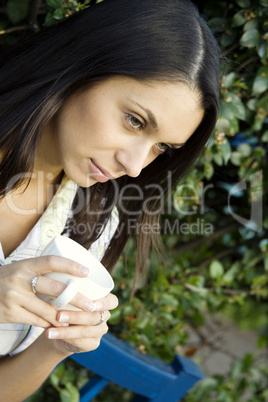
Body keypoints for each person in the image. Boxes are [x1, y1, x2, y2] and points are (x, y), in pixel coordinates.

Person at [0, 0, 220, 399]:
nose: (136, 166)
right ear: (83, 67)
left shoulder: (92, 221)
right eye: (135, 120)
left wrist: (54, 347)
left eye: (162, 148)